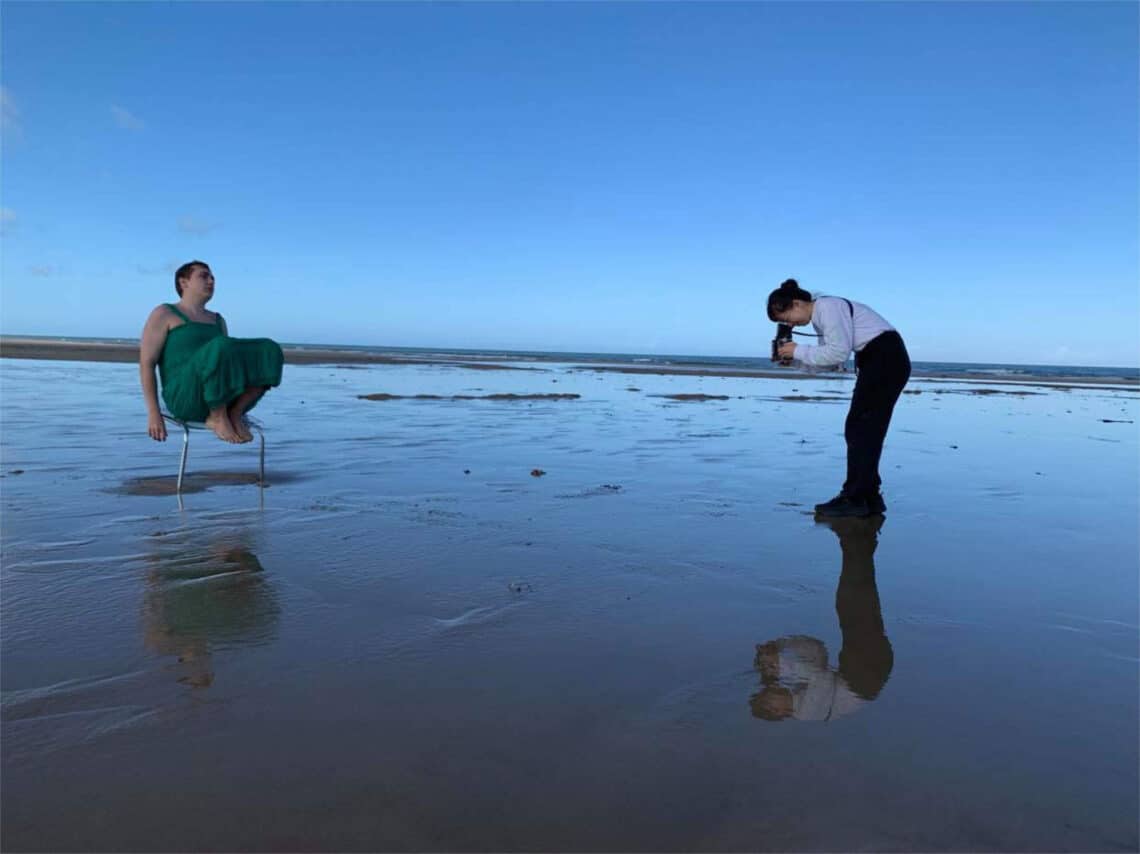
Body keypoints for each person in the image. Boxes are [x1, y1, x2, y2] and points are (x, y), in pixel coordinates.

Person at [768, 278, 910, 517]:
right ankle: (869, 497)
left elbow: (837, 352)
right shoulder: (823, 316)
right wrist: (794, 361)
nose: (788, 324)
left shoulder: (828, 307)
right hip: (882, 359)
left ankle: (855, 498)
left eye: (785, 318)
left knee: (860, 428)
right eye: (783, 323)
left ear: (797, 303)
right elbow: (832, 361)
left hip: (883, 358)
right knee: (865, 429)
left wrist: (798, 350)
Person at [140, 261, 284, 444]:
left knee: (269, 350)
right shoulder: (165, 313)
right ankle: (217, 416)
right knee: (221, 346)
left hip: (221, 396)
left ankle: (235, 412)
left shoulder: (217, 320)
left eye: (212, 277)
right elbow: (147, 364)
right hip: (184, 397)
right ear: (183, 283)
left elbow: (226, 367)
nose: (211, 281)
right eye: (203, 276)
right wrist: (153, 413)